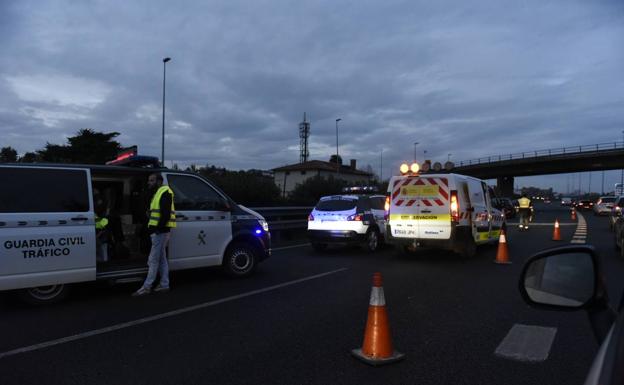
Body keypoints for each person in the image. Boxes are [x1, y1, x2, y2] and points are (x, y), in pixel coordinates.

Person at [133, 173, 176, 296]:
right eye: (149, 180)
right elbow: (158, 212)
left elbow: (165, 214)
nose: (149, 183)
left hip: (160, 232)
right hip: (158, 231)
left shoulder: (165, 192)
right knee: (162, 259)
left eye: (151, 180)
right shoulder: (158, 192)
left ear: (159, 181)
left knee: (153, 260)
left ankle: (147, 287)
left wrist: (158, 229)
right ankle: (164, 284)